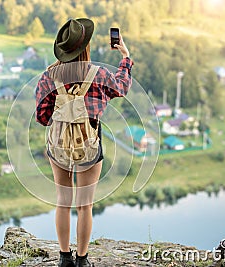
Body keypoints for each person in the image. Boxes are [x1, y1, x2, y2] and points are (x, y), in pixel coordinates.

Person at [35, 18, 133, 267]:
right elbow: (121, 87)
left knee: (62, 201)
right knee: (85, 205)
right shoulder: (98, 74)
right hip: (89, 147)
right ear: (85, 47)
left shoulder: (49, 76)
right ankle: (82, 260)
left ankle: (64, 258)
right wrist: (125, 56)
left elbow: (42, 117)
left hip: (58, 147)